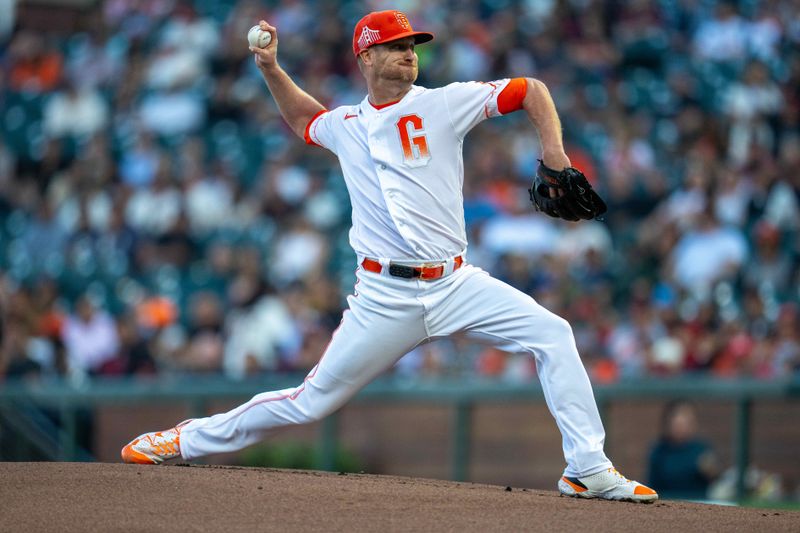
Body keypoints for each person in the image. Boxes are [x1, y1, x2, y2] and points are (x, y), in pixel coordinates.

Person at [122, 10, 658, 503]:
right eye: (395, 45)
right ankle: (182, 440)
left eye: (412, 44)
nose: (408, 52)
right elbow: (306, 119)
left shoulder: (443, 101)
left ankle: (587, 467)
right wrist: (270, 69)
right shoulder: (347, 125)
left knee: (554, 334)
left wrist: (555, 154)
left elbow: (531, 90)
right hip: (385, 297)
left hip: (456, 284)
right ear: (366, 58)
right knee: (311, 402)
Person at [647, 400, 719, 499]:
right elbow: (652, 486)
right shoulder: (659, 451)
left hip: (698, 504)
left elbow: (716, 482)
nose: (681, 428)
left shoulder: (701, 449)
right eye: (677, 423)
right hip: (667, 504)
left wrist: (711, 472)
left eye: (686, 422)